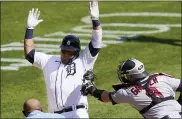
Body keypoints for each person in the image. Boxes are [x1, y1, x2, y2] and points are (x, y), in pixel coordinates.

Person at [23, 1, 102, 118]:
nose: (65, 54)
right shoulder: (49, 61)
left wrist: (95, 19)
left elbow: (96, 43)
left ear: (76, 52)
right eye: (64, 51)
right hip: (54, 116)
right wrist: (30, 28)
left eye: (70, 52)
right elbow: (30, 54)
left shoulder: (84, 61)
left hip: (76, 113)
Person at [81, 58, 182, 119]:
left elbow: (106, 97)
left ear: (132, 76)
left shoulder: (127, 92)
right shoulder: (161, 78)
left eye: (126, 75)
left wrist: (91, 88)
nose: (124, 78)